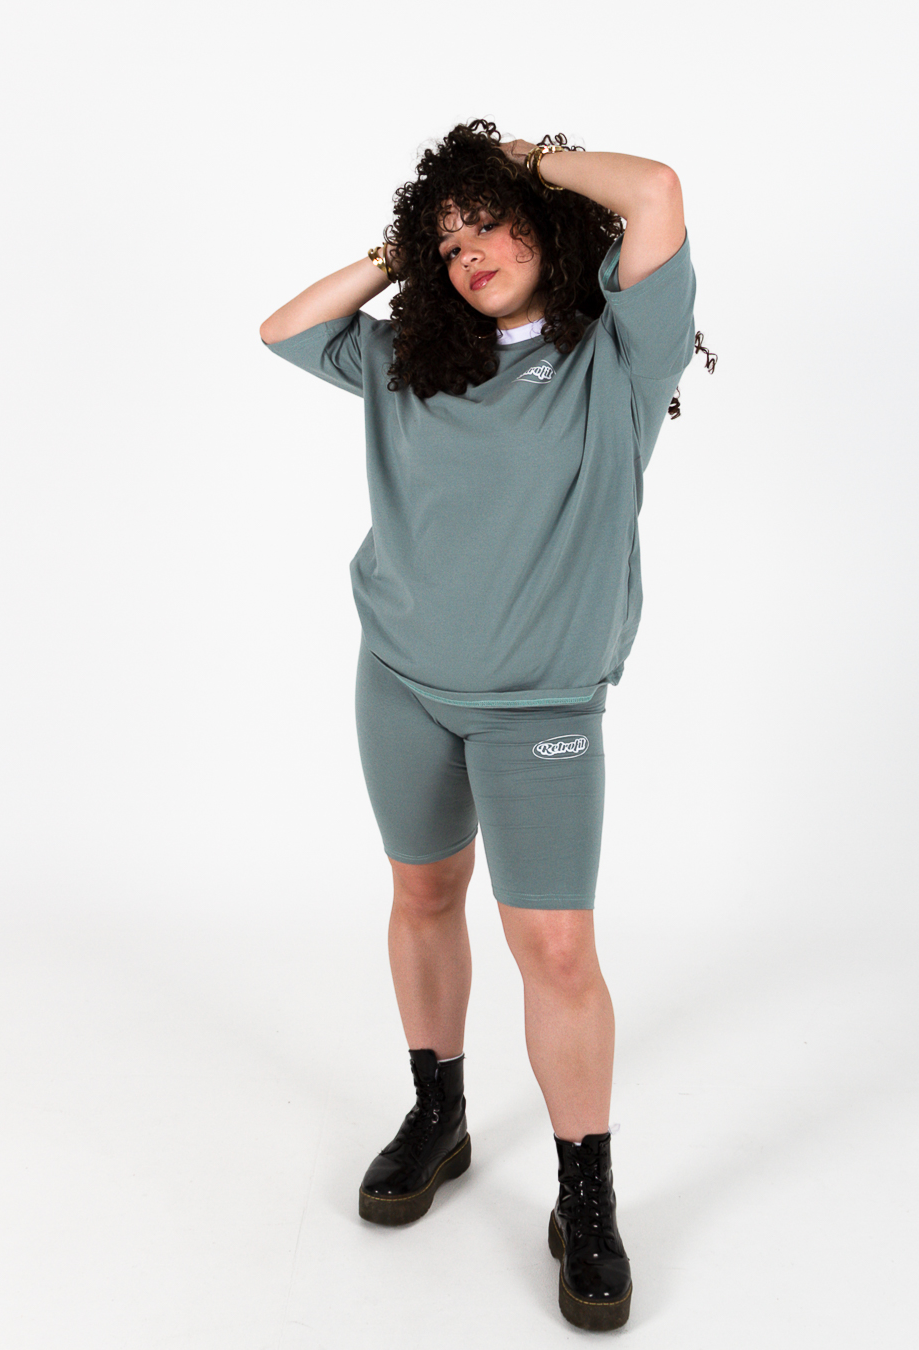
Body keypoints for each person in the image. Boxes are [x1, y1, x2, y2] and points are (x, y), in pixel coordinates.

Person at [259, 119, 703, 1332]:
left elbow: (657, 190)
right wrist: (402, 248)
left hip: (541, 706)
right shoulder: (410, 360)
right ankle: (439, 1112)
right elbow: (284, 329)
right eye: (448, 244)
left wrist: (523, 159)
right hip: (400, 677)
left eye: (491, 227)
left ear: (545, 229)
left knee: (555, 951)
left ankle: (585, 1193)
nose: (471, 256)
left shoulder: (618, 358)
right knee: (422, 894)